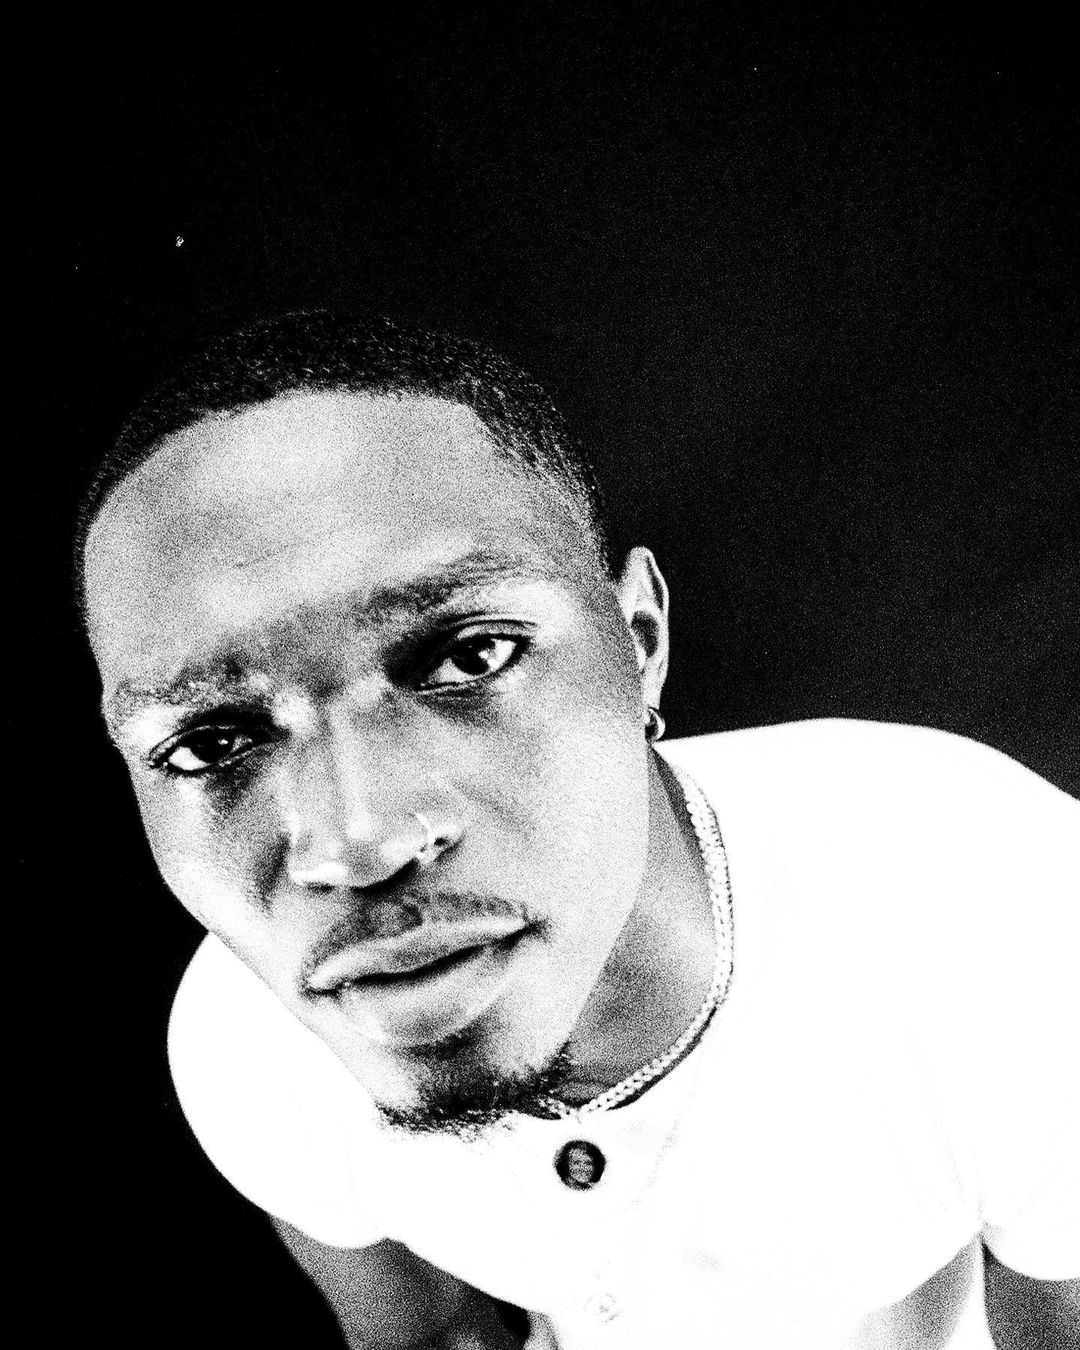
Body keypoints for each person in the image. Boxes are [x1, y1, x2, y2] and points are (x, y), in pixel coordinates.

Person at [78, 310, 1079, 1349]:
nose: (358, 840)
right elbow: (428, 1340)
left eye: (470, 656)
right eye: (208, 743)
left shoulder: (1012, 925)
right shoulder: (248, 1045)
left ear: (638, 643)